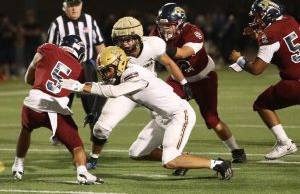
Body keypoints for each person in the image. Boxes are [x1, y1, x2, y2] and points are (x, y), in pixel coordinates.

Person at [59, 46, 233, 180]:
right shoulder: (126, 70)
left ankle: (218, 164)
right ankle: (184, 159)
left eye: (108, 70)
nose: (106, 74)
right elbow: (107, 86)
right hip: (163, 118)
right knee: (137, 153)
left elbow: (112, 92)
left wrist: (80, 87)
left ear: (119, 64)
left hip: (179, 115)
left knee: (169, 161)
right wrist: (80, 85)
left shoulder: (134, 74)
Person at [85, 16, 192, 170]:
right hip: (124, 92)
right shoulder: (114, 54)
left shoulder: (153, 45)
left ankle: (178, 159)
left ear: (138, 37)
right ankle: (93, 159)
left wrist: (184, 83)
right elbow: (106, 84)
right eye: (121, 40)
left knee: (168, 122)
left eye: (129, 39)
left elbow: (168, 62)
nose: (125, 44)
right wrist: (96, 109)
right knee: (101, 127)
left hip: (149, 91)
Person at [149, 3, 246, 170]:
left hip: (203, 78)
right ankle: (177, 156)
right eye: (162, 25)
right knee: (161, 112)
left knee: (212, 120)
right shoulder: (156, 33)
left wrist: (155, 46)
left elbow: (181, 53)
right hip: (178, 79)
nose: (165, 29)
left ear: (180, 22)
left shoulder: (193, 32)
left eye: (169, 25)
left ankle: (236, 150)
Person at [11, 35, 103, 184]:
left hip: (33, 103)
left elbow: (29, 77)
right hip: (55, 109)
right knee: (76, 145)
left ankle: (18, 165)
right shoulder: (79, 68)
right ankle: (82, 172)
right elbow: (82, 90)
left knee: (26, 129)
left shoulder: (48, 48)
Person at [229, 0, 298, 160]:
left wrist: (239, 59)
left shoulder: (270, 35)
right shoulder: (290, 20)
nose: (256, 20)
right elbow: (282, 43)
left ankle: (284, 143)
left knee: (261, 104)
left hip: (295, 82)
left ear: (270, 13)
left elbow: (256, 69)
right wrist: (258, 35)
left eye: (259, 16)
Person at [46, 0, 106, 151]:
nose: (74, 9)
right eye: (70, 6)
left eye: (76, 5)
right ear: (65, 6)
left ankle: (97, 136)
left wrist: (106, 64)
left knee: (93, 105)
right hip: (65, 69)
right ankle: (59, 133)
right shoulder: (57, 23)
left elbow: (99, 45)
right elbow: (49, 49)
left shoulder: (89, 20)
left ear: (81, 5)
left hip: (86, 67)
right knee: (61, 103)